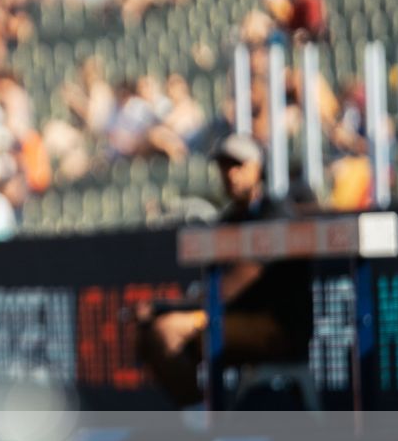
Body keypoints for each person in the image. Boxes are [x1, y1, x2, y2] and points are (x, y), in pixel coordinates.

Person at [135, 136, 315, 407]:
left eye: (238, 165)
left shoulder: (275, 213)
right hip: (236, 321)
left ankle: (206, 423)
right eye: (224, 166)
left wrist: (166, 307)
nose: (230, 174)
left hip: (276, 328)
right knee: (149, 338)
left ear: (257, 168)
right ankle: (201, 416)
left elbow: (233, 285)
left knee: (167, 331)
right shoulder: (230, 219)